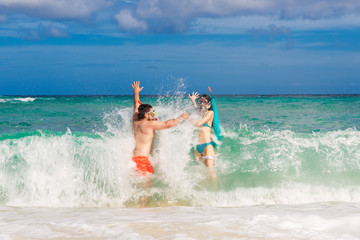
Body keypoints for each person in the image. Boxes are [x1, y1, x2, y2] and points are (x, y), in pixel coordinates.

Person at [131, 81, 189, 176]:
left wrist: (136, 92)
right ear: (146, 114)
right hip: (142, 162)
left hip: (135, 159)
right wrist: (182, 117)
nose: (154, 114)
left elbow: (136, 105)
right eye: (152, 113)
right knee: (146, 189)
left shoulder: (135, 121)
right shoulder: (149, 124)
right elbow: (168, 124)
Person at [188, 88, 222, 182]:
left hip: (207, 146)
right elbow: (196, 109)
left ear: (209, 103)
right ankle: (205, 191)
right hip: (197, 148)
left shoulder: (210, 113)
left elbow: (199, 124)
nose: (202, 103)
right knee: (202, 172)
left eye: (204, 101)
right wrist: (193, 100)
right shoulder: (199, 112)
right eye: (200, 101)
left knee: (211, 171)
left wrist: (186, 118)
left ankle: (215, 190)